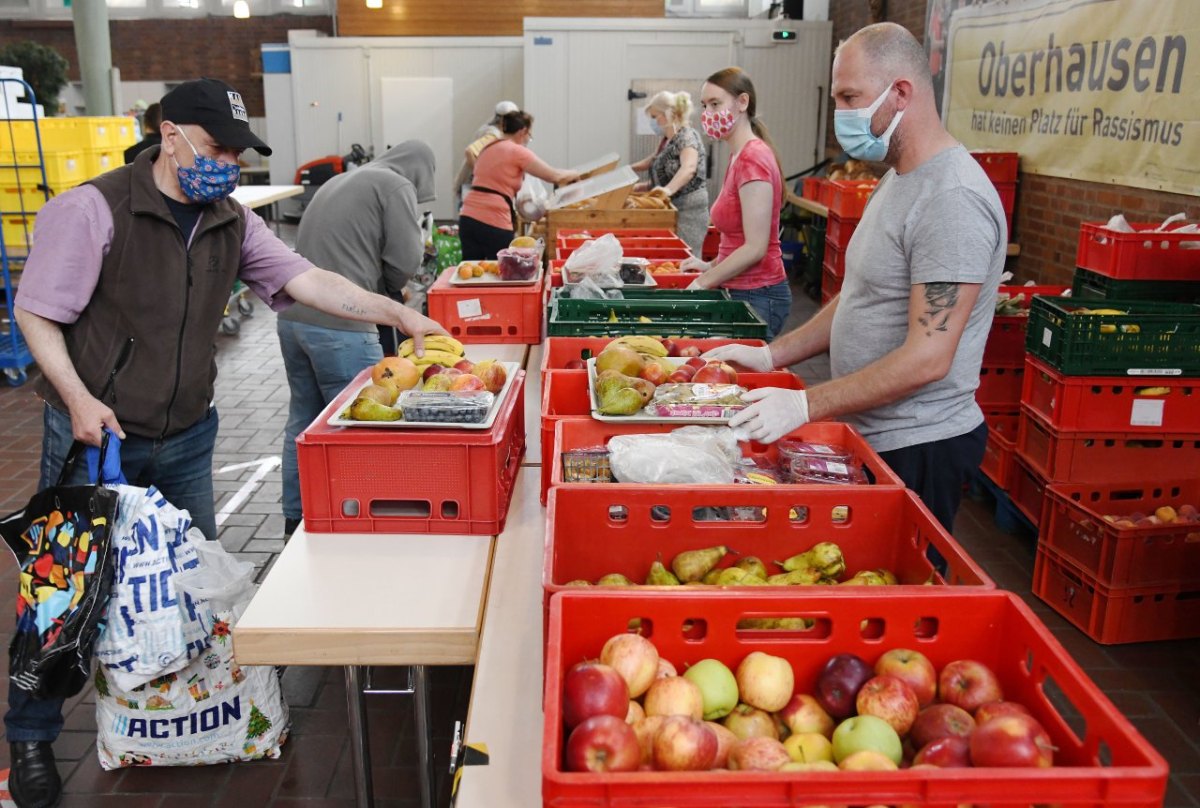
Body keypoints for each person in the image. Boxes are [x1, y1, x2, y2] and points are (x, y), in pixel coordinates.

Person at [8, 77, 447, 808]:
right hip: (97, 434)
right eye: (215, 149)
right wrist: (79, 398)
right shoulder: (93, 209)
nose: (227, 166)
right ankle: (30, 732)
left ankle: (180, 709)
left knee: (192, 577)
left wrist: (394, 314)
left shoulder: (229, 221)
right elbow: (37, 311)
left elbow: (306, 280)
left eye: (236, 155)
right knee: (66, 589)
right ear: (169, 134)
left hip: (185, 431)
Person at [707, 23, 1005, 534]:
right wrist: (771, 356)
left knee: (899, 573)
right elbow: (859, 297)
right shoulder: (899, 179)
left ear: (901, 93)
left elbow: (929, 357)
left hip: (919, 443)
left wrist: (807, 403)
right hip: (872, 431)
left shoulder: (952, 200)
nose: (841, 114)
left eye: (850, 98)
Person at [277, 139, 436, 537]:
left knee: (304, 423)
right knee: (363, 429)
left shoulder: (345, 179)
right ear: (421, 172)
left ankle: (296, 518)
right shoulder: (397, 185)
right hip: (342, 326)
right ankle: (360, 524)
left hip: (293, 320)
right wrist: (393, 292)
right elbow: (405, 259)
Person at [680, 67, 792, 340]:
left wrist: (703, 282)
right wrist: (709, 265)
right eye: (704, 105)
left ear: (742, 102)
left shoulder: (753, 158)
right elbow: (738, 237)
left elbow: (755, 247)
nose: (708, 113)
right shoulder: (738, 155)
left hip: (758, 294)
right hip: (741, 289)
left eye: (715, 104)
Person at [457, 109, 579, 260]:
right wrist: (575, 174)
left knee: (472, 269)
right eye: (529, 135)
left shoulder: (488, 147)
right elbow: (554, 176)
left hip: (468, 216)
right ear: (523, 131)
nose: (528, 139)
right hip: (494, 219)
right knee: (502, 268)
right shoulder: (517, 151)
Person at [630, 90, 709, 256]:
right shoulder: (667, 140)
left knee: (686, 257)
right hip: (670, 209)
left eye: (654, 117)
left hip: (687, 212)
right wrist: (630, 173)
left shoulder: (687, 136)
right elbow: (653, 161)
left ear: (667, 114)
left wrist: (667, 190)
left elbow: (689, 168)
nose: (652, 122)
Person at [453, 99, 519, 211]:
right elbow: (470, 152)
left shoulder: (488, 129)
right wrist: (484, 176)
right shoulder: (493, 135)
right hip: (473, 185)